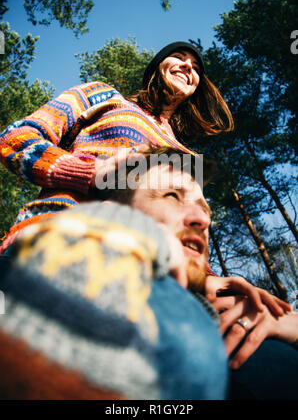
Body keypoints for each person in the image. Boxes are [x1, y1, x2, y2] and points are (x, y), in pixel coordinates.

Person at [0, 147, 296, 400]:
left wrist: (287, 326)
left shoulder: (240, 314)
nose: (203, 218)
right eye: (171, 195)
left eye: (204, 208)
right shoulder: (41, 282)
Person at [0, 41, 233, 258]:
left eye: (195, 68)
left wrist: (208, 279)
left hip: (150, 277)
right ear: (156, 67)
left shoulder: (187, 156)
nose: (187, 66)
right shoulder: (102, 96)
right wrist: (91, 174)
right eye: (179, 57)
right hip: (59, 238)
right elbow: (15, 138)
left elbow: (189, 228)